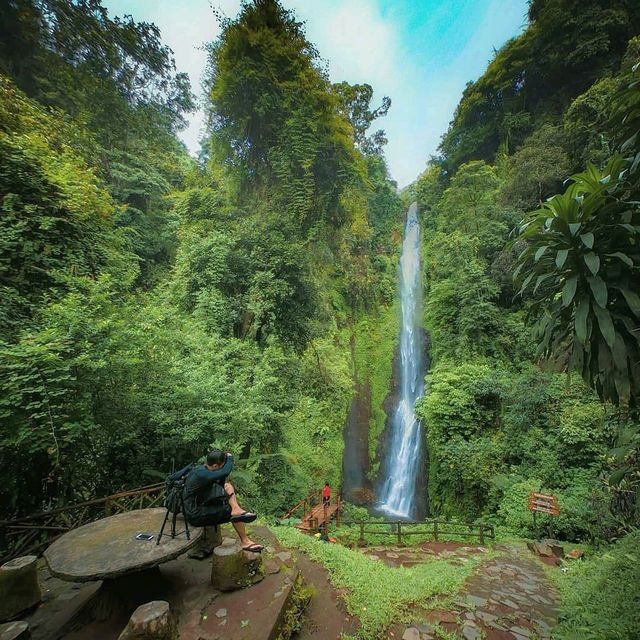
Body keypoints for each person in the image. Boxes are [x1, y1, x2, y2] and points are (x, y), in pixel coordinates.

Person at [182, 450, 263, 552]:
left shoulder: (202, 469)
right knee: (231, 513)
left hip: (198, 505)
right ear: (215, 466)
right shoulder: (201, 474)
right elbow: (225, 472)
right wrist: (230, 458)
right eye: (222, 466)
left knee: (228, 486)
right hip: (194, 514)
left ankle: (236, 509)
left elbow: (221, 481)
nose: (222, 469)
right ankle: (245, 541)